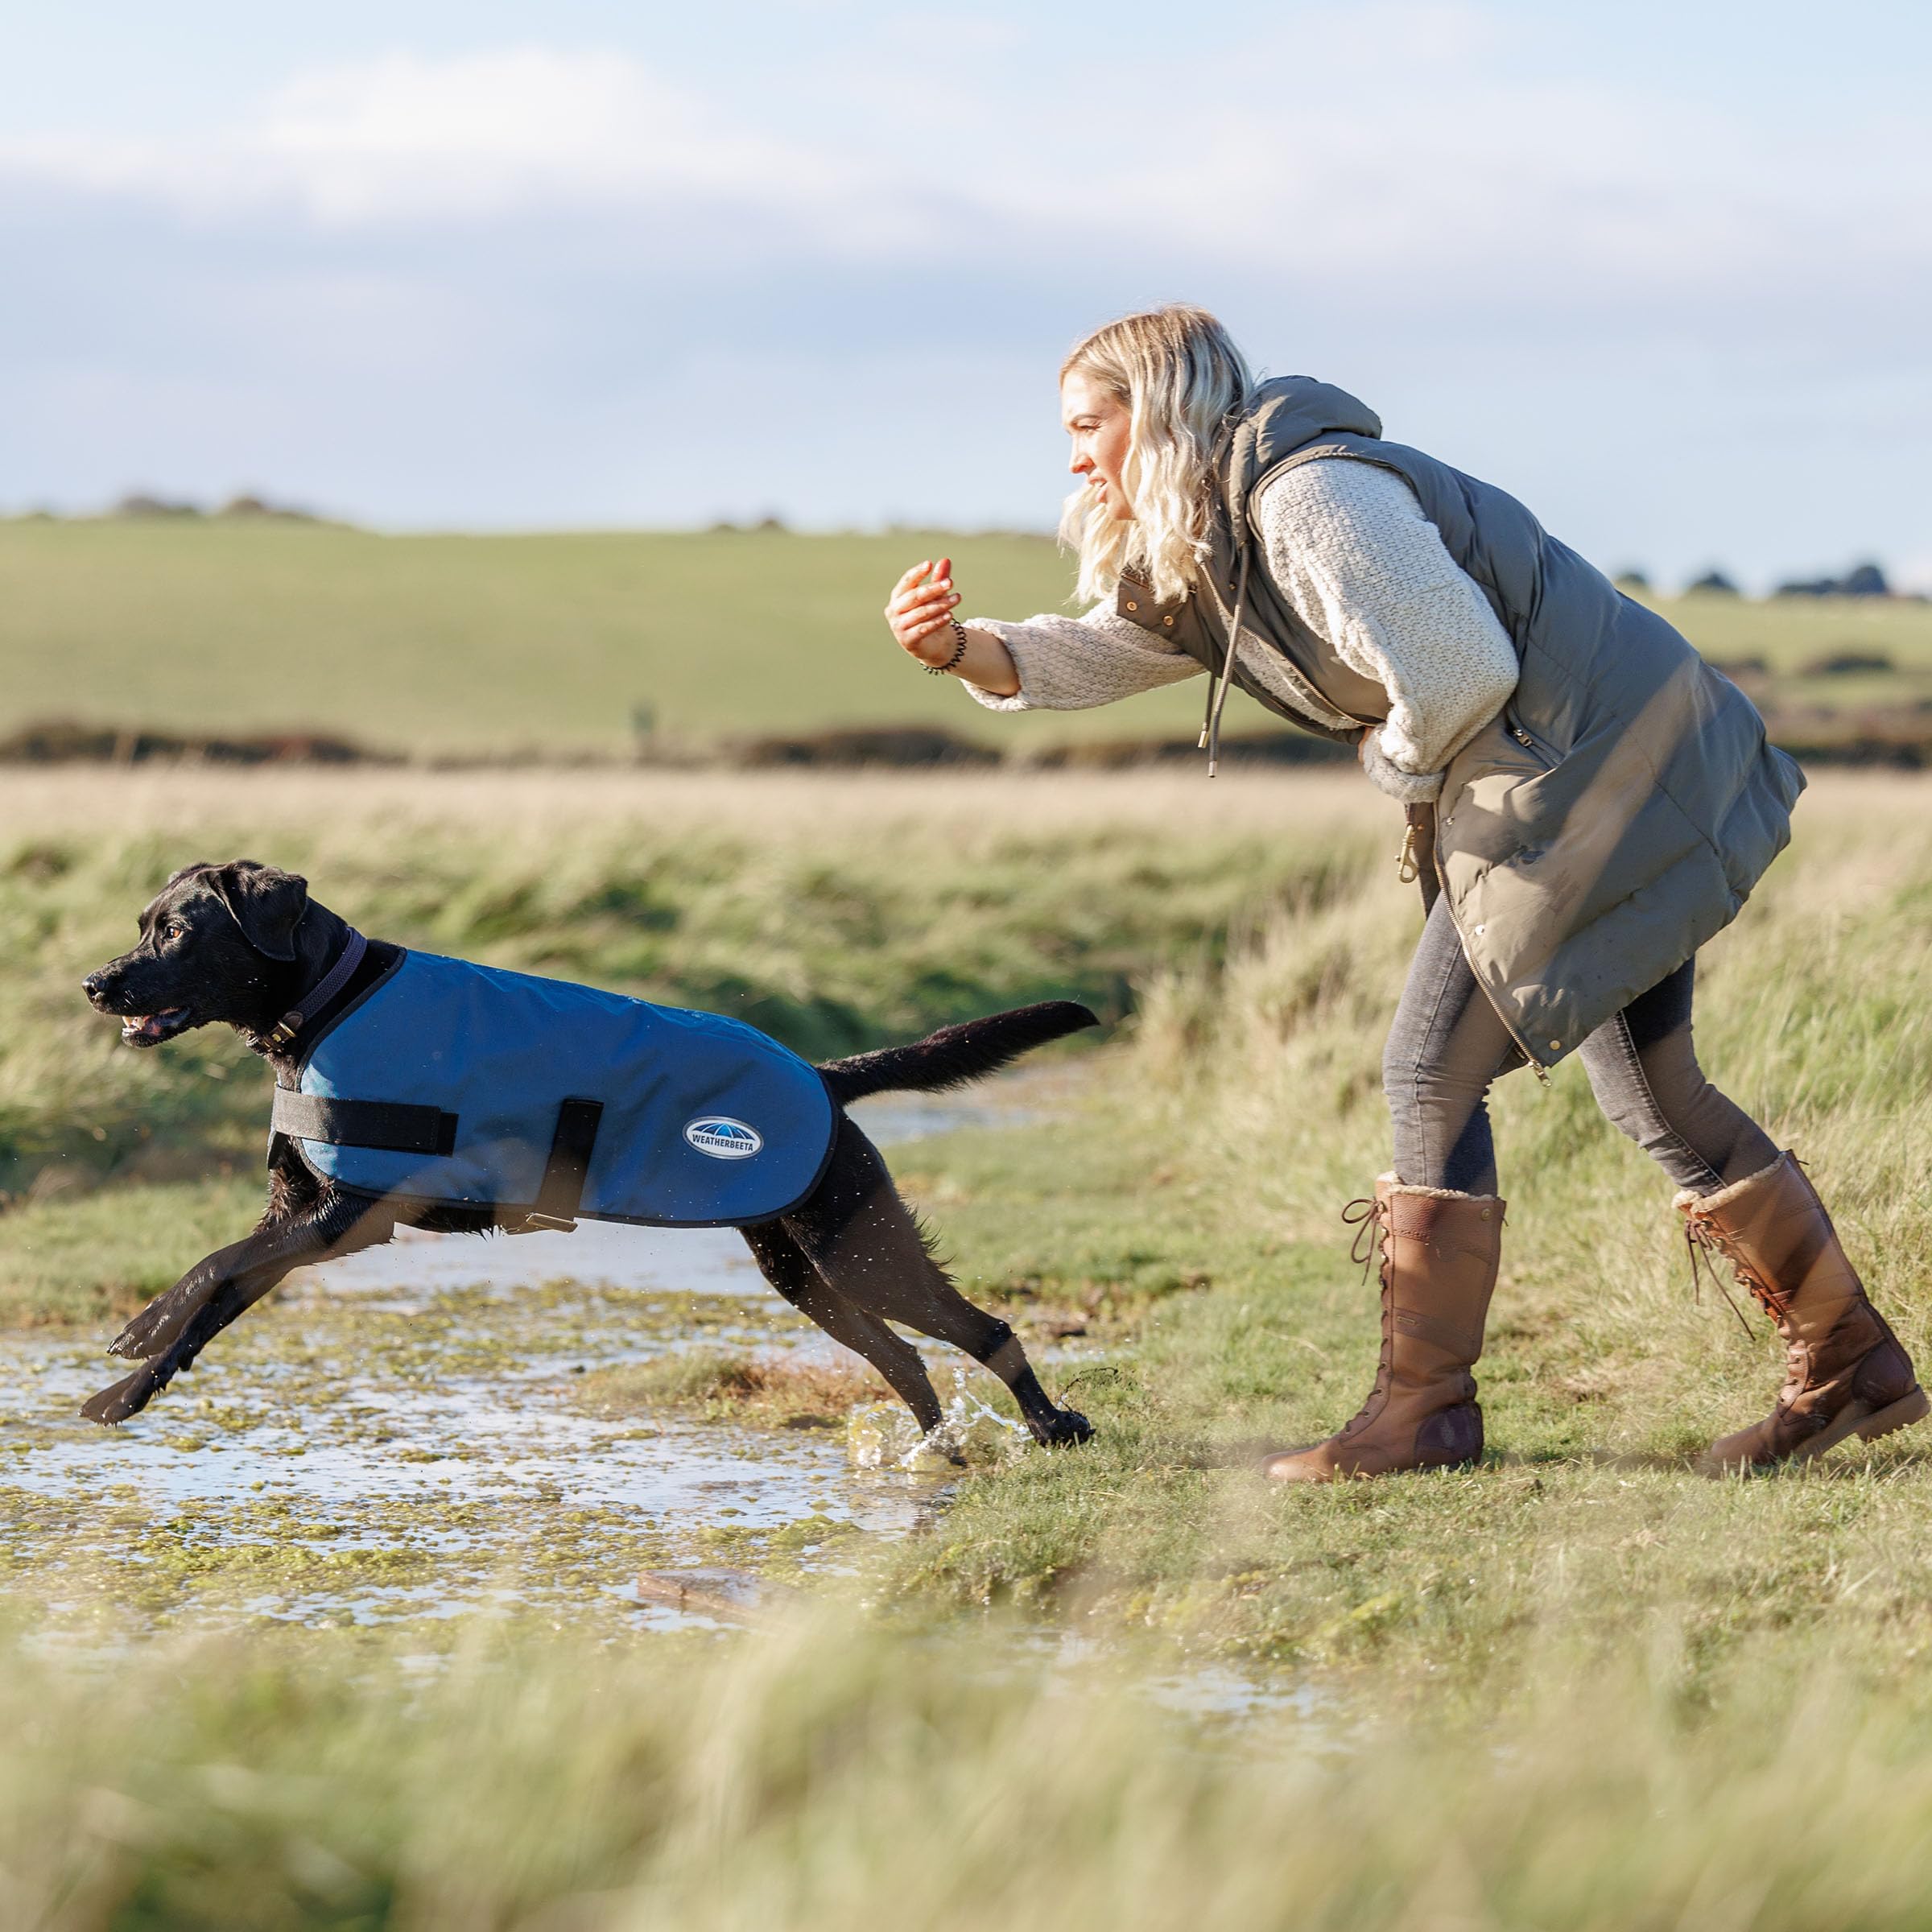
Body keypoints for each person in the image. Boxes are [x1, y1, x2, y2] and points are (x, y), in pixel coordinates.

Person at [881, 303, 1923, 1482]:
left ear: (1163, 414)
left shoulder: (1307, 499)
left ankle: (1425, 1416)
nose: (1074, 456)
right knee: (1651, 1087)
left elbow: (1461, 670)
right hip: (1610, 765)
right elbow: (1117, 649)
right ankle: (1852, 1365)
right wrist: (959, 649)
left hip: (1591, 770)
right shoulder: (1223, 532)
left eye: (1089, 424)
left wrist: (1395, 762)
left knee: (1430, 1066)